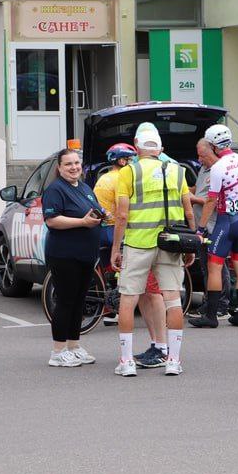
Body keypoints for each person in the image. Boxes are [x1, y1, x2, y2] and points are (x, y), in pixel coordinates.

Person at [111, 123, 196, 376]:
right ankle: (173, 360)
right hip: (170, 243)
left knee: (128, 300)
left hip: (138, 243)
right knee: (173, 300)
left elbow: (122, 215)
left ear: (136, 147)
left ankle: (127, 362)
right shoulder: (178, 171)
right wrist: (191, 243)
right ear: (160, 148)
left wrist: (116, 248)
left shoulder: (129, 172)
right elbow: (189, 211)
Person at [93, 143, 168, 369]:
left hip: (111, 232)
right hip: (138, 238)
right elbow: (123, 214)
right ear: (123, 160)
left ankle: (155, 346)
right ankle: (161, 347)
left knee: (139, 292)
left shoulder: (104, 178)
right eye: (131, 158)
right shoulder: (126, 177)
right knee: (148, 293)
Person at [41, 148, 103, 367]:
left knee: (79, 302)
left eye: (76, 163)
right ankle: (58, 352)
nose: (74, 167)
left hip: (85, 255)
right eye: (68, 164)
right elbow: (52, 220)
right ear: (59, 168)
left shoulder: (84, 188)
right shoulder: (55, 190)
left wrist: (102, 215)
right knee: (66, 302)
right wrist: (82, 222)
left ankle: (74, 347)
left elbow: (94, 210)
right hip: (65, 255)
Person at [189, 125, 238, 328]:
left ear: (213, 145)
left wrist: (200, 229)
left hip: (227, 221)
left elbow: (211, 201)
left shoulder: (218, 167)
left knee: (214, 266)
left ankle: (211, 316)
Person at [188, 138, 231, 321]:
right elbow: (197, 190)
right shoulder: (203, 169)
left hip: (213, 226)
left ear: (212, 152)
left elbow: (211, 201)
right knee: (206, 267)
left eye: (202, 155)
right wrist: (184, 190)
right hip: (202, 226)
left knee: (218, 267)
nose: (199, 159)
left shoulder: (219, 170)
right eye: (198, 155)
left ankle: (222, 306)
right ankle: (209, 304)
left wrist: (191, 199)